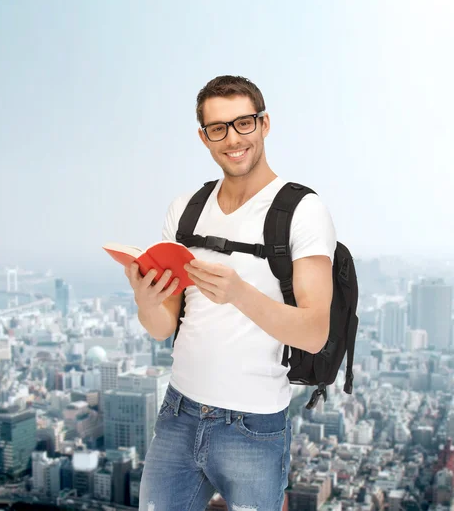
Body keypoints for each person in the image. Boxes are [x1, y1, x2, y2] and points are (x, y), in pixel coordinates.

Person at [127, 75, 336, 510]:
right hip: (178, 413)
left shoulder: (302, 211)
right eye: (218, 128)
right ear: (204, 137)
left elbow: (315, 332)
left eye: (243, 123)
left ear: (264, 124)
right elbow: (163, 325)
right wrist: (146, 301)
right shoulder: (184, 210)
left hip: (253, 425)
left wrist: (239, 293)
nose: (233, 138)